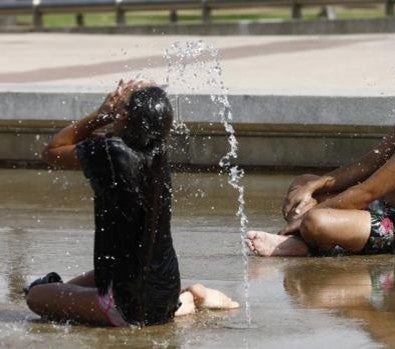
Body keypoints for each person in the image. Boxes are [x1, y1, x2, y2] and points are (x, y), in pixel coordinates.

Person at [26, 80, 238, 327]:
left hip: (128, 308)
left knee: (36, 296)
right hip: (165, 291)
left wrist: (100, 115)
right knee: (71, 285)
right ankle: (188, 298)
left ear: (124, 116)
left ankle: (186, 300)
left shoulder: (109, 153)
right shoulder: (156, 150)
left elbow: (53, 151)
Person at [245, 38, 395, 256]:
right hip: (382, 209)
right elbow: (370, 162)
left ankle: (303, 241)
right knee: (302, 184)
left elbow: (368, 191)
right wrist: (314, 186)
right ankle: (307, 242)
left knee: (316, 220)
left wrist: (306, 218)